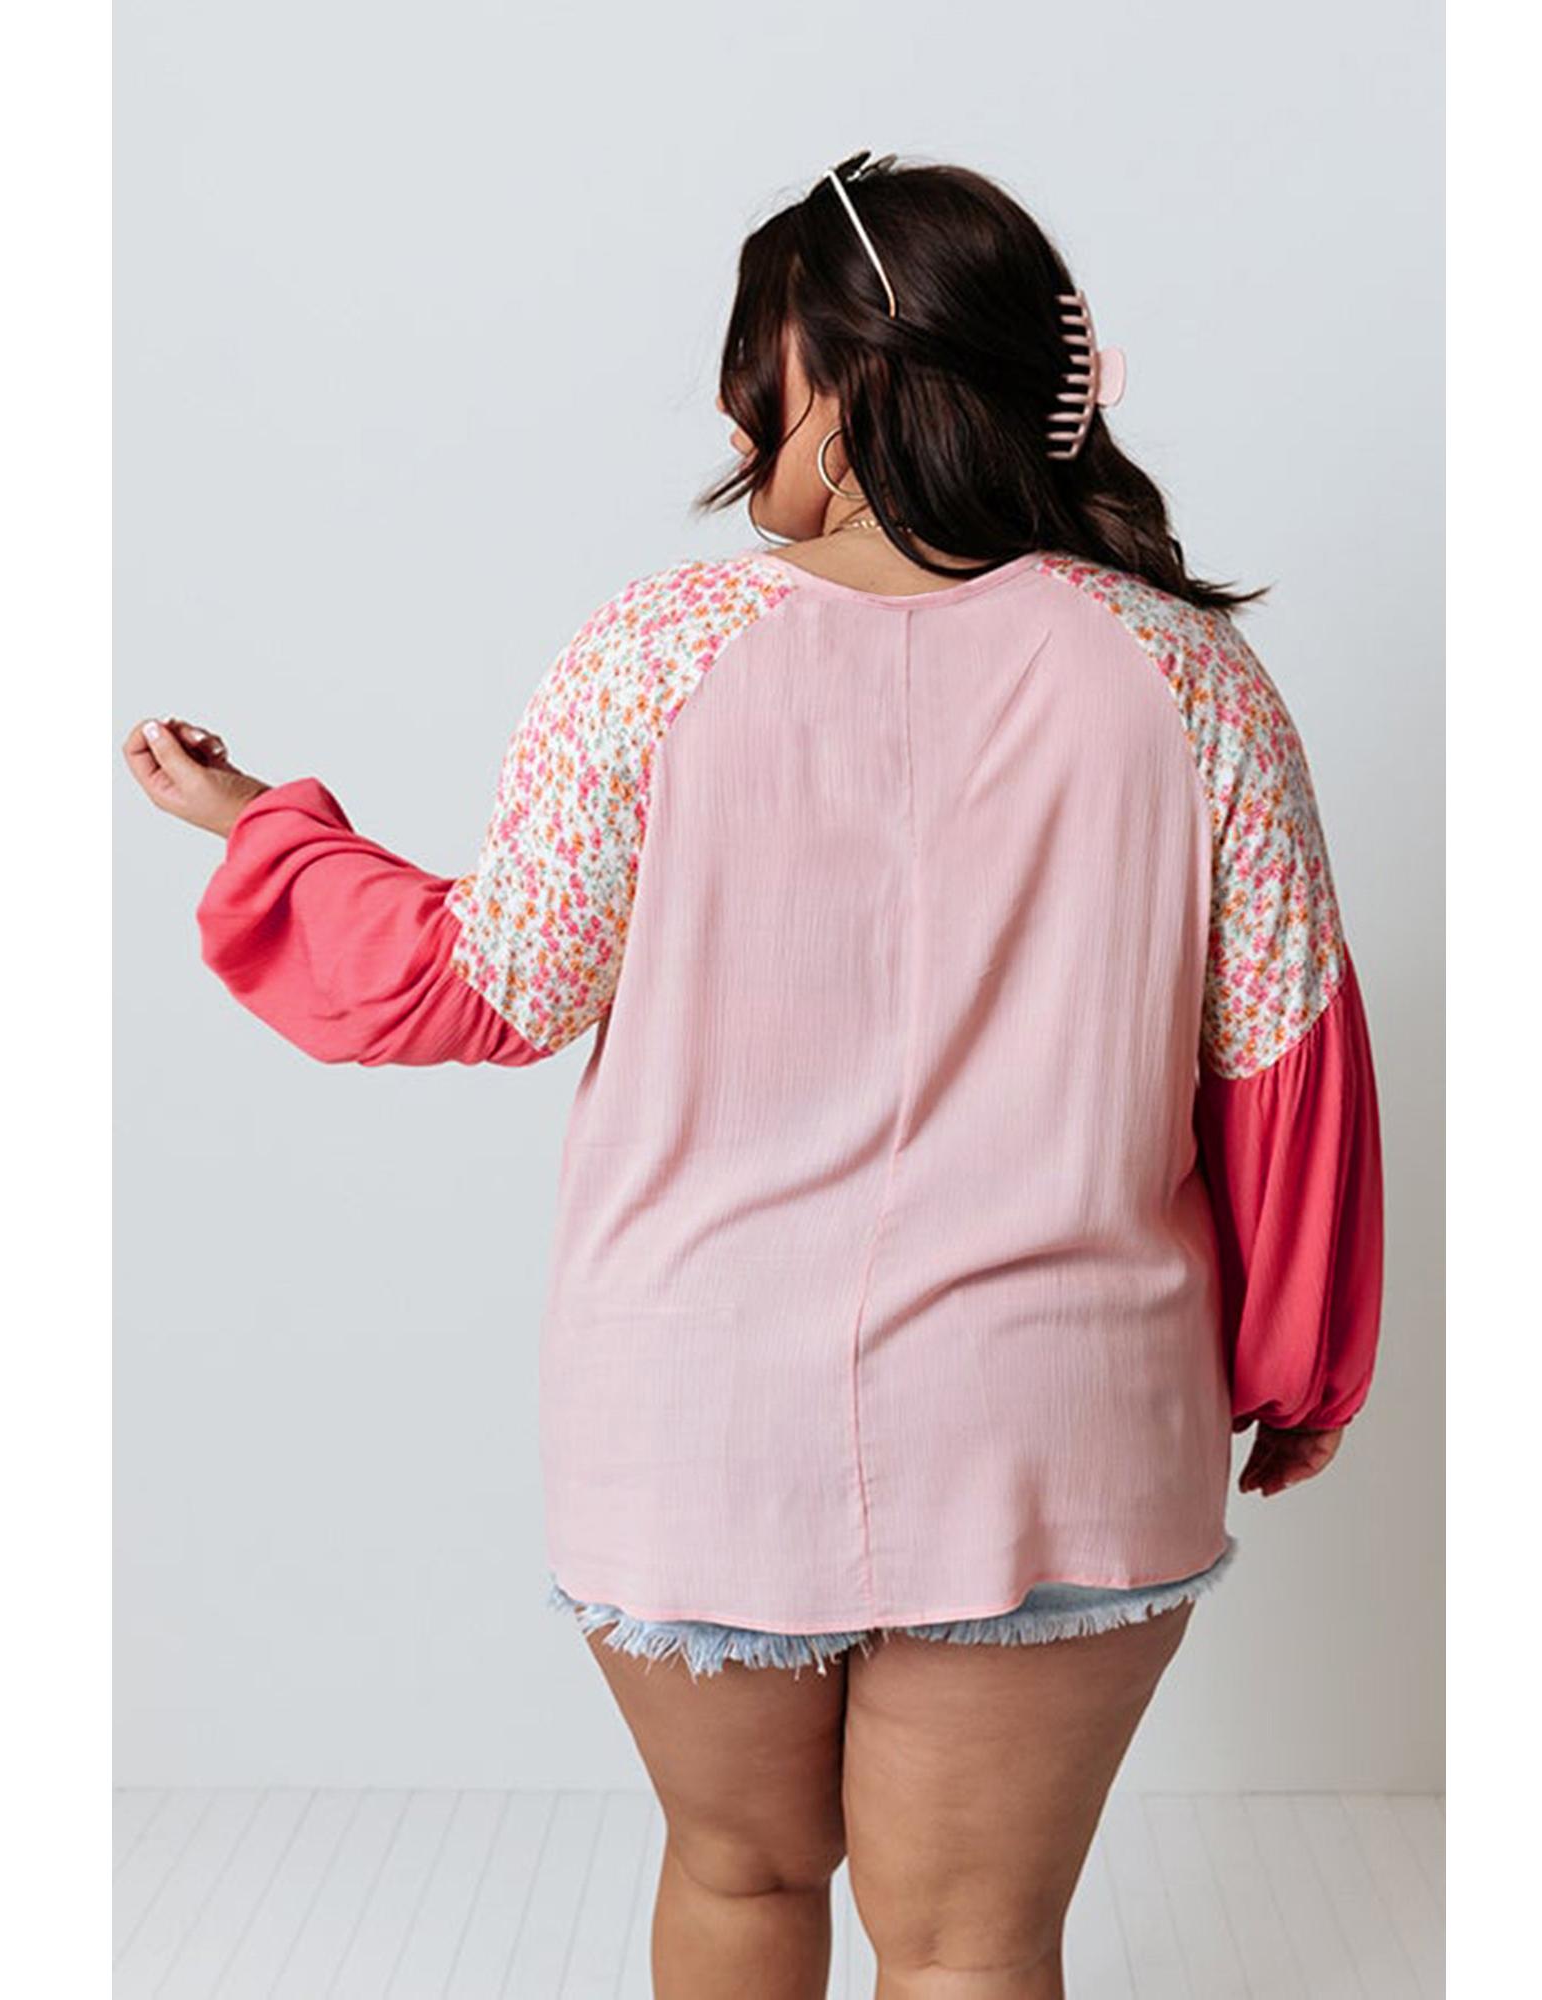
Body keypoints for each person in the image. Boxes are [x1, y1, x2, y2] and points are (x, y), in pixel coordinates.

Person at [123, 152, 1384, 1999]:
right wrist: (1299, 1373)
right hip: (1061, 1412)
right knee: (972, 1951)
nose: (732, 420)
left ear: (845, 387)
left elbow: (483, 981)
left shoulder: (656, 655)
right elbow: (1285, 1071)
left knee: (736, 1878)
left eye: (755, 375)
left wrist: (262, 830)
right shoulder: (1190, 680)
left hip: (693, 1409)